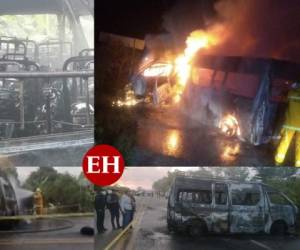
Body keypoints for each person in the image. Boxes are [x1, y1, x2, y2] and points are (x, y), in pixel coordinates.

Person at [275, 82, 300, 167]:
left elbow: (284, 99)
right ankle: (298, 164)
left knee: (285, 142)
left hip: (290, 123)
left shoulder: (292, 93)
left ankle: (278, 161)